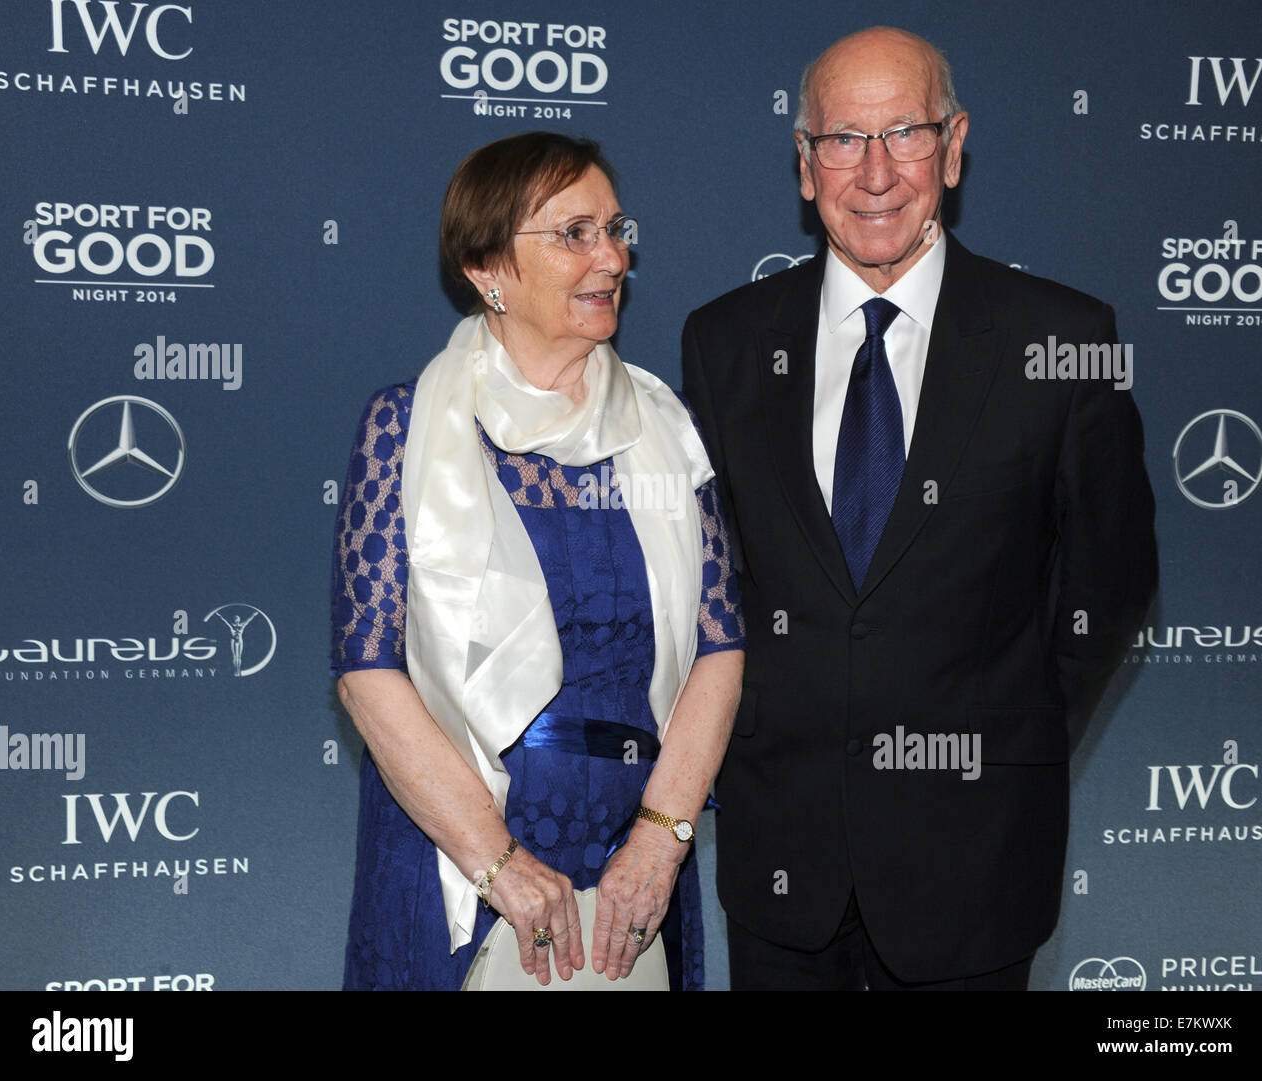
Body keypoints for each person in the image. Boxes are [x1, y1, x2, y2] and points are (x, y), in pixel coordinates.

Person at [681, 27, 1157, 990]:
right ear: (805, 165)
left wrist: (1001, 736)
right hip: (782, 863)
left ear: (955, 142)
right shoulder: (723, 342)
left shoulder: (1069, 337)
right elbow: (711, 582)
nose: (876, 172)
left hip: (977, 861)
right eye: (843, 140)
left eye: (905, 132)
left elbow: (1111, 581)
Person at [331, 132, 744, 991]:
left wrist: (661, 843)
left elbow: (719, 647)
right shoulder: (407, 429)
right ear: (487, 267)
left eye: (615, 228)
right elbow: (368, 671)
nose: (615, 256)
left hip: (637, 862)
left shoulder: (666, 429)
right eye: (575, 233)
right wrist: (497, 862)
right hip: (455, 858)